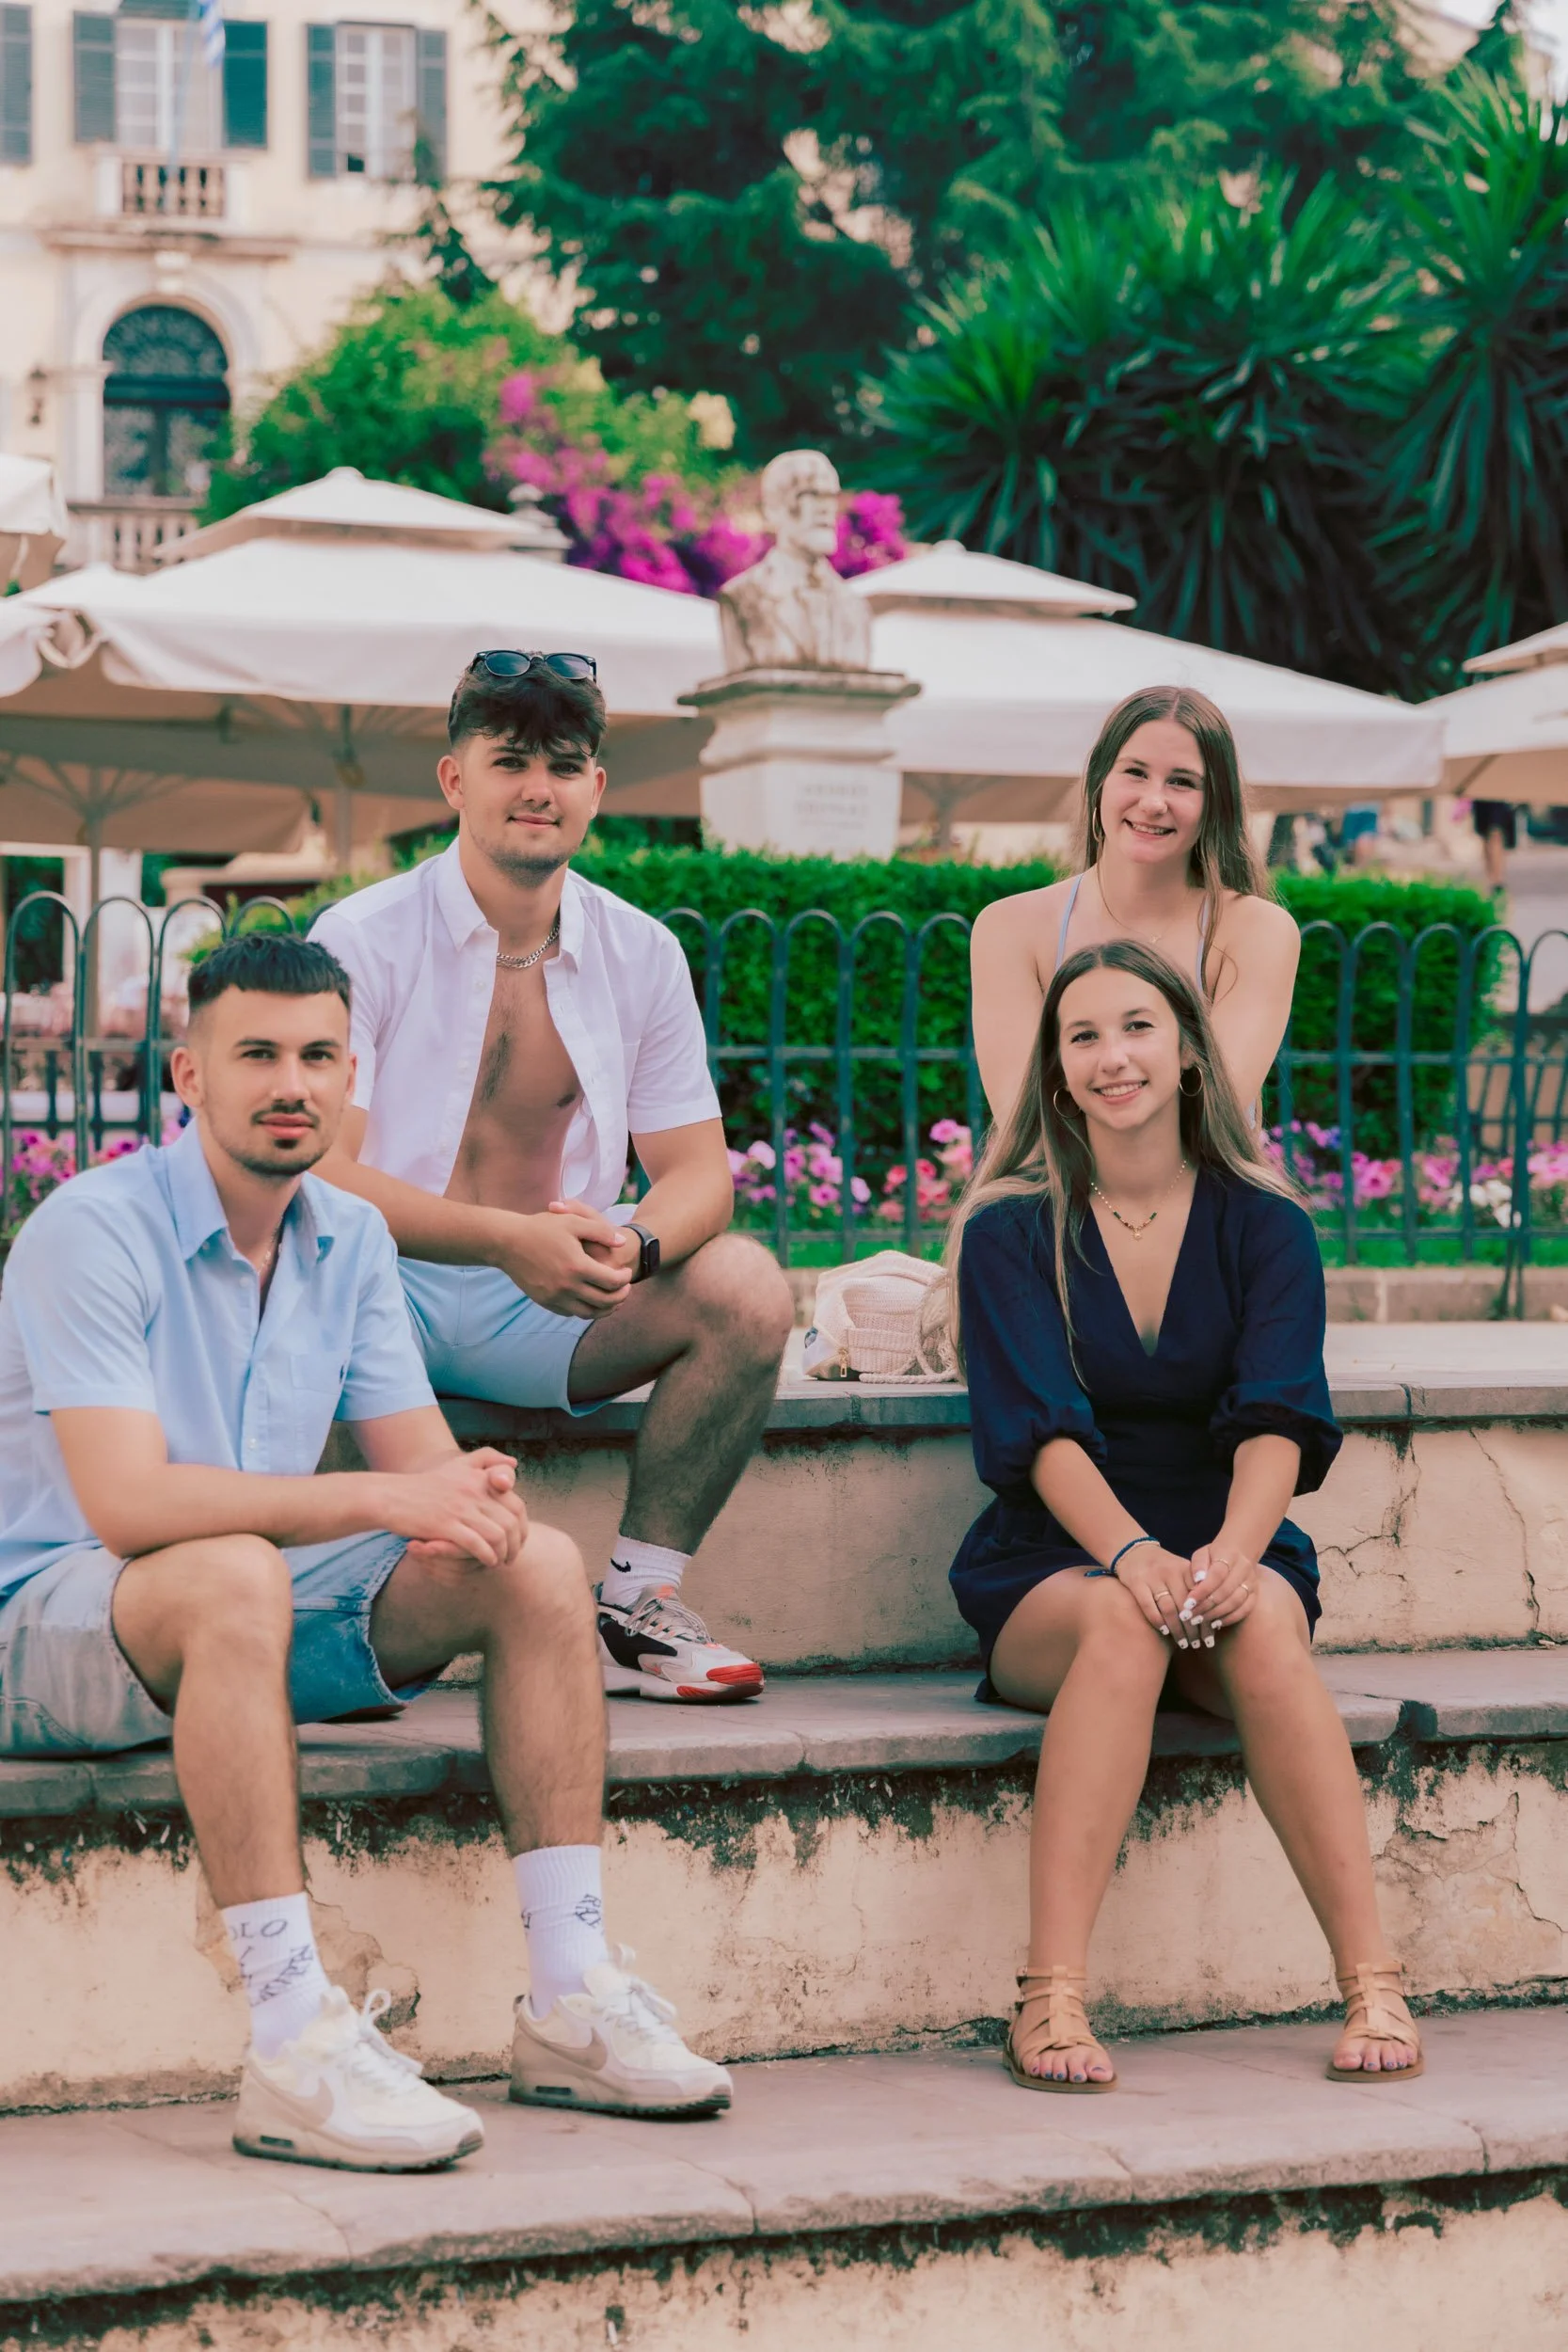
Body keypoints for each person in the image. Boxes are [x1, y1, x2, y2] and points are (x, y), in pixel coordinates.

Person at [0, 933, 733, 2174]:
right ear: (187, 1073)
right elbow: (125, 1507)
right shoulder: (94, 1228)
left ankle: (568, 1993)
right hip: (50, 1619)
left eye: (318, 1056)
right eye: (257, 1055)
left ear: (351, 1081)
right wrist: (380, 1501)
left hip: (248, 1615)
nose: (291, 1082)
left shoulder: (346, 1237)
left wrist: (474, 1498)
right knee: (232, 1572)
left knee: (537, 1566)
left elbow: (422, 1470)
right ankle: (292, 2039)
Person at [944, 938, 1422, 2094]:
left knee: (1262, 1619)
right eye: (1083, 1036)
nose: (1113, 1056)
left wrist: (1227, 1558)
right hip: (1057, 1563)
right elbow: (1038, 1433)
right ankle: (1048, 1996)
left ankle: (1371, 1976)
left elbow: (1276, 1421)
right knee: (1119, 1622)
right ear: (1056, 1075)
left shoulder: (1267, 1223)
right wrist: (1131, 1554)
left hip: (1226, 1542)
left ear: (1190, 1053)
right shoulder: (1010, 1229)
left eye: (1137, 1027)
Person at [311, 653, 795, 1706]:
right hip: (373, 1287)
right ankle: (373, 1612)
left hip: (549, 1299)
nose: (539, 787)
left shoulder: (641, 952)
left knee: (749, 1286)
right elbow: (326, 1177)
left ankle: (637, 1601)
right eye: (510, 760)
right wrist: (499, 1238)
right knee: (319, 1271)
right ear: (454, 780)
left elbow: (695, 1173)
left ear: (595, 790)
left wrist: (636, 1245)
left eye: (564, 765)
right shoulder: (360, 940)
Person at [969, 686, 1301, 1124]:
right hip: (1053, 1194)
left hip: (1207, 1192)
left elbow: (1210, 1118)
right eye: (1135, 773)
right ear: (1099, 782)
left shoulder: (1258, 931)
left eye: (1182, 782)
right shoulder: (1009, 929)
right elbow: (1023, 1122)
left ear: (1214, 805)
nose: (1154, 802)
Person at [1471, 799, 1516, 896]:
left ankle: (1497, 879)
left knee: (1496, 833)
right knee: (1485, 836)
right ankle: (1492, 878)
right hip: (1481, 796)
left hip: (1497, 796)